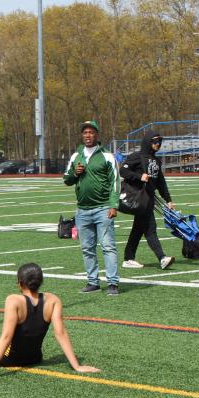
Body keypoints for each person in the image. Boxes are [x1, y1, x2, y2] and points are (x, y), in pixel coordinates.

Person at [63, 120, 121, 295]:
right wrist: (75, 173)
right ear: (82, 135)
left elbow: (115, 181)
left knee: (108, 246)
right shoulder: (76, 156)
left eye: (91, 132)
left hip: (103, 208)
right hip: (82, 210)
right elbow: (66, 179)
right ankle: (93, 281)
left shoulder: (107, 156)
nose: (88, 135)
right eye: (85, 132)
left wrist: (113, 205)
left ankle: (112, 283)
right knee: (87, 248)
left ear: (97, 135)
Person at [120, 132, 176, 271]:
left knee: (138, 230)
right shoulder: (136, 156)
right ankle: (162, 258)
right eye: (155, 141)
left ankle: (128, 258)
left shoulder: (156, 160)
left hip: (149, 199)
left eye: (160, 142)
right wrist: (139, 176)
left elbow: (160, 182)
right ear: (147, 142)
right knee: (150, 228)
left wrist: (168, 199)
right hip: (139, 198)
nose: (158, 144)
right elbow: (123, 171)